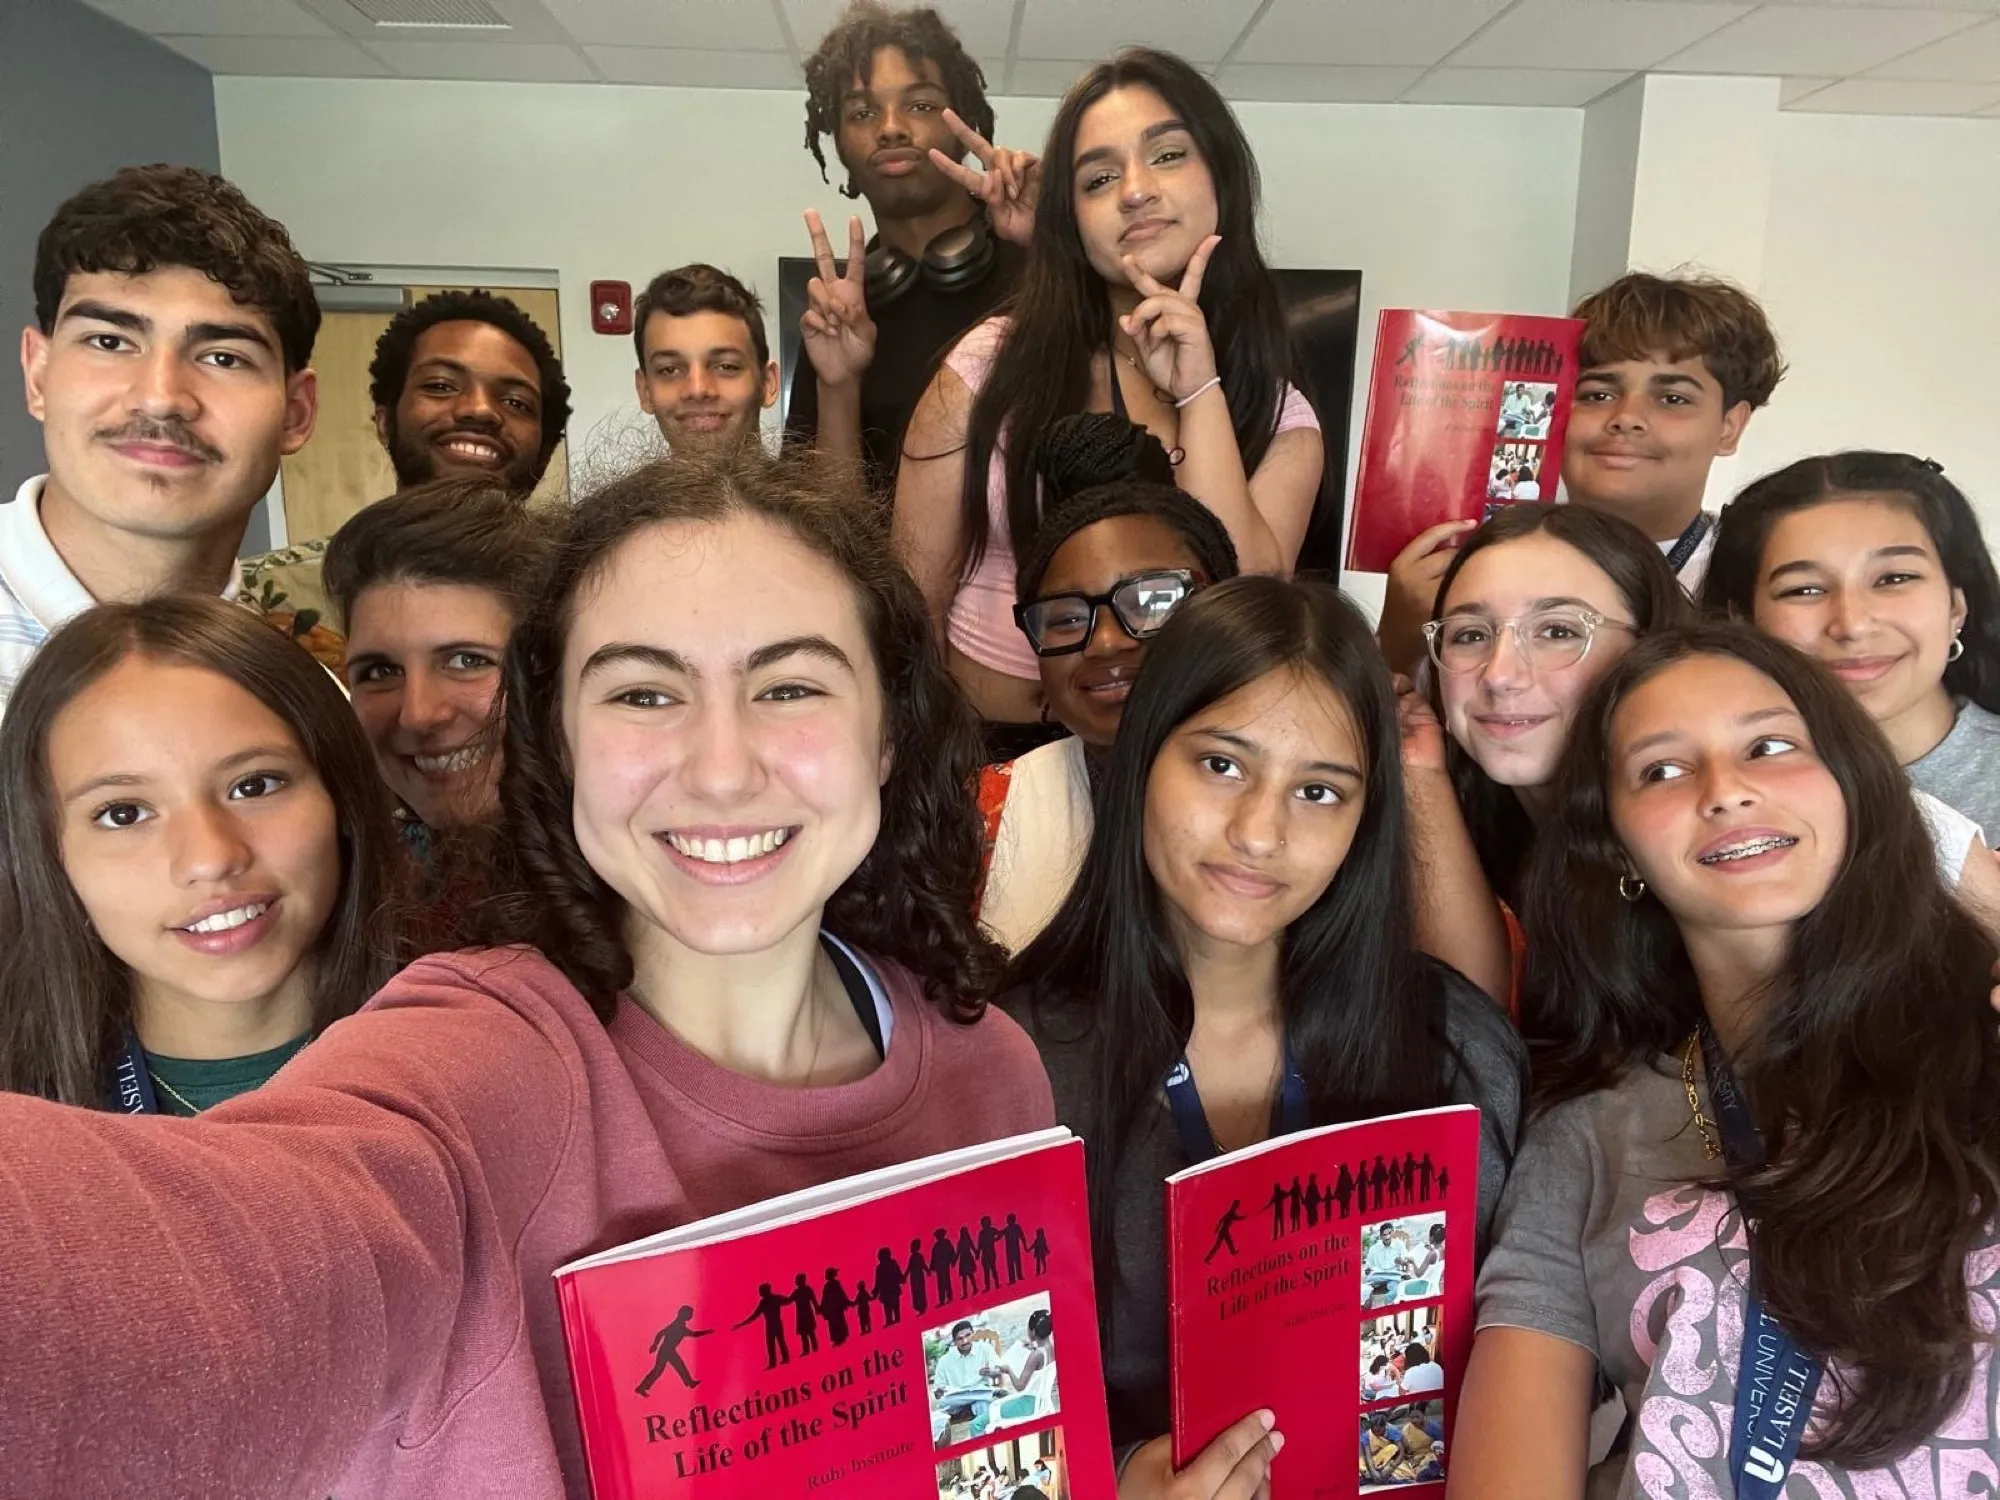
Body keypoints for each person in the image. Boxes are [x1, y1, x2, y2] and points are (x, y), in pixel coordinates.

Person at [0, 449, 1054, 1498]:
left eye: (788, 686)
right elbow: (205, 1280)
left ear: (885, 733)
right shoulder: (474, 1069)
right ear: (555, 742)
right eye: (643, 695)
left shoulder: (990, 1072)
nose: (722, 768)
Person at [1452, 623, 2000, 1498]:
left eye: (1770, 746)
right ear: (1619, 849)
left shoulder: (1985, 1043)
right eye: (1661, 771)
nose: (1728, 791)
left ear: (1852, 786)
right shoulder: (1587, 1133)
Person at [1006, 574, 1525, 1488]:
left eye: (1320, 792)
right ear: (1141, 759)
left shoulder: (1456, 1054)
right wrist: (1117, 1479)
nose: (1258, 832)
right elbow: (966, 1411)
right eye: (1220, 764)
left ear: (1368, 821)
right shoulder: (1008, 1066)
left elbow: (1512, 1375)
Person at [896, 47, 1323, 743]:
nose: (1132, 191)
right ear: (1073, 219)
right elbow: (911, 610)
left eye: (1166, 156)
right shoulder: (986, 371)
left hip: (1177, 760)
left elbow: (1242, 614)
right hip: (984, 755)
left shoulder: (1283, 420)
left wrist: (1200, 391)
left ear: (1224, 178)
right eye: (1097, 178)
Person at [0, 595, 403, 1113]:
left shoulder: (491, 1044)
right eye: (124, 814)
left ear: (341, 797)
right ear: (48, 853)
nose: (210, 858)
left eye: (254, 786)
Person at [9, 164, 319, 716]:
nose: (161, 397)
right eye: (109, 341)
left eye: (223, 357)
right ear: (38, 375)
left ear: (296, 414)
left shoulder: (309, 697)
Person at [1377, 272, 1783, 678]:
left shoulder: (1754, 580)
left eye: (1672, 398)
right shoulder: (1479, 566)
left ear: (1729, 426)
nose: (1626, 418)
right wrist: (1399, 640)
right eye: (1597, 395)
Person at [974, 413, 1238, 950]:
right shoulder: (980, 817)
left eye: (1152, 602)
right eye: (1068, 617)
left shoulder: (1307, 800)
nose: (1108, 643)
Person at [238, 288, 570, 668]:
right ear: (384, 420)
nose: (479, 410)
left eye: (516, 403)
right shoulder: (264, 600)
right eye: (441, 386)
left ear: (546, 449)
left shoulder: (585, 595)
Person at [792, 2, 1033, 493]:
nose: (891, 127)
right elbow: (822, 528)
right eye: (862, 112)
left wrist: (1061, 242)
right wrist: (840, 387)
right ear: (839, 145)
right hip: (883, 572)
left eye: (920, 105)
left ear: (962, 126)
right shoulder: (835, 315)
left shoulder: (1039, 272)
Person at [1700, 451, 2000, 836]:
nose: (1852, 625)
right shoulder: (1716, 791)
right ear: (1742, 621)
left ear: (1956, 605)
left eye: (1894, 579)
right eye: (1804, 589)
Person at [321, 480, 551, 842]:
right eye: (380, 671)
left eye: (466, 661)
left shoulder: (643, 884)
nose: (417, 715)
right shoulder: (352, 876)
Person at [633, 263, 777, 456]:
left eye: (726, 366)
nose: (698, 390)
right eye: (669, 370)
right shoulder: (622, 488)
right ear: (645, 391)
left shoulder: (806, 487)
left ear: (768, 384)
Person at [932, 1320, 1001, 1437]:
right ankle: (992, 1393)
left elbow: (998, 1371)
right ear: (954, 1342)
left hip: (979, 1391)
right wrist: (939, 1392)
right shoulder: (944, 1360)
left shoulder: (985, 1349)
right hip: (956, 1400)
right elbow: (938, 1392)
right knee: (944, 1401)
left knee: (983, 1405)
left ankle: (984, 1442)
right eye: (960, 1339)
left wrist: (991, 1373)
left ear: (973, 1334)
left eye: (968, 1336)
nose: (965, 1341)